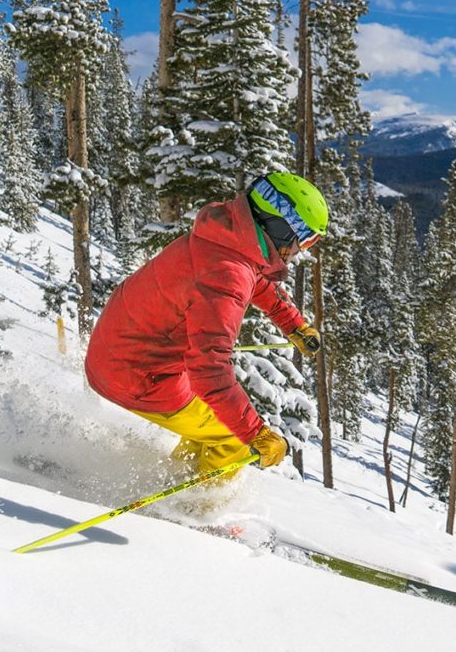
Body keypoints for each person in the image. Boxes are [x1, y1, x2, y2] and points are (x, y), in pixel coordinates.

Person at [85, 172, 326, 476]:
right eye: (301, 240)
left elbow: (257, 281)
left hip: (122, 346)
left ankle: (181, 480)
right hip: (136, 373)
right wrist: (255, 434)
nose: (297, 252)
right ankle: (199, 513)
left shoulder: (226, 237)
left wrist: (294, 325)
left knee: (215, 418)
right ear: (279, 226)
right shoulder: (227, 274)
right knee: (233, 440)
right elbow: (209, 370)